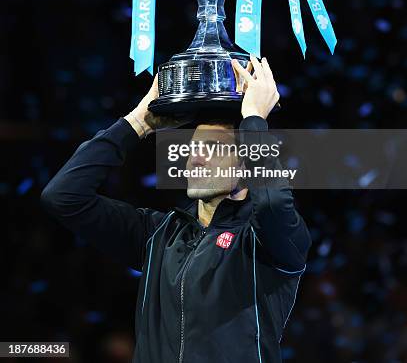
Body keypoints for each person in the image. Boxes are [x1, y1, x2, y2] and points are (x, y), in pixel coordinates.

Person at [41, 55, 311, 363]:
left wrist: (253, 120)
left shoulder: (268, 242)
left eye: (212, 148)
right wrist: (138, 122)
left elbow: (274, 203)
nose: (195, 159)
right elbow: (63, 196)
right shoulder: (159, 234)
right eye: (192, 148)